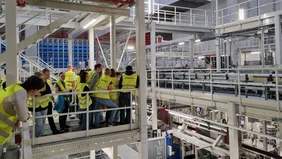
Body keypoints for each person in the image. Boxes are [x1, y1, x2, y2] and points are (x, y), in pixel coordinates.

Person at [0, 75, 44, 157]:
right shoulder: (21, 93)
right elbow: (23, 116)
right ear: (34, 90)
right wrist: (27, 115)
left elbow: (18, 107)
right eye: (38, 91)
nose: (38, 93)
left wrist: (17, 118)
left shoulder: (16, 87)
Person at [28, 72, 50, 137]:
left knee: (43, 122)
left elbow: (49, 91)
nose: (43, 80)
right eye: (41, 78)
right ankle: (36, 137)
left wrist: (41, 94)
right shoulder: (31, 85)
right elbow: (30, 93)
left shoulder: (44, 83)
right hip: (35, 106)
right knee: (39, 123)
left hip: (44, 105)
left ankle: (41, 135)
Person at [42, 69, 63, 134]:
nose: (48, 76)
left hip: (49, 102)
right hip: (43, 103)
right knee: (42, 119)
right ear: (43, 74)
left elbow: (49, 92)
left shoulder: (47, 81)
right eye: (47, 75)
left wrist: (53, 99)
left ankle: (54, 130)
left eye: (49, 75)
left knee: (50, 117)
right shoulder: (41, 82)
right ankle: (40, 133)